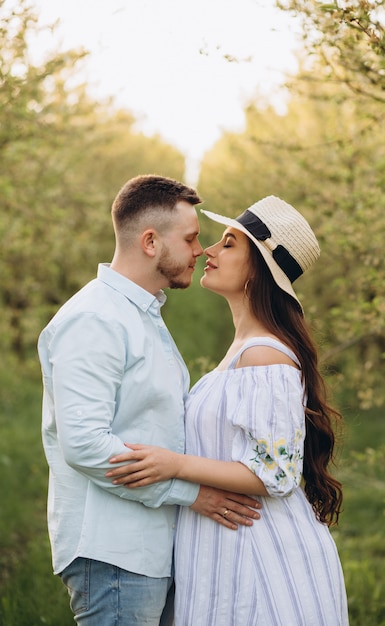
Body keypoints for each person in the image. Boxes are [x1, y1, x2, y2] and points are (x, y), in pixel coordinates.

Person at [106, 195, 350, 625]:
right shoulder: (243, 352)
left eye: (229, 244)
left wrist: (172, 465)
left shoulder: (265, 357)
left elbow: (273, 472)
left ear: (259, 268)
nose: (208, 251)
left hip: (263, 560)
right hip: (230, 550)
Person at [37, 174, 261, 626]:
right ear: (151, 241)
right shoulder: (95, 320)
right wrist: (189, 493)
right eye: (192, 238)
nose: (201, 251)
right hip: (114, 551)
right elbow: (83, 444)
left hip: (144, 547)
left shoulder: (139, 314)